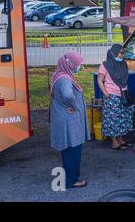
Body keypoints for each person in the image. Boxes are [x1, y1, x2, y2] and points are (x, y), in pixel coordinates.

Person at [50, 52, 90, 189]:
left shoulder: (58, 75)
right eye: (77, 64)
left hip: (63, 118)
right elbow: (67, 95)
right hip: (69, 121)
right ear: (70, 65)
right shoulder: (65, 79)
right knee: (73, 150)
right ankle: (72, 180)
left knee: (67, 150)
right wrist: (74, 106)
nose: (79, 67)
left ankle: (69, 178)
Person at [97, 44, 134, 151]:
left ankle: (121, 139)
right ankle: (114, 142)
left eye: (123, 52)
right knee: (112, 119)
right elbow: (99, 80)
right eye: (121, 53)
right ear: (113, 53)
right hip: (111, 96)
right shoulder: (105, 65)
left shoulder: (124, 64)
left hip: (123, 95)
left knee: (123, 118)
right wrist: (105, 93)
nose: (122, 55)